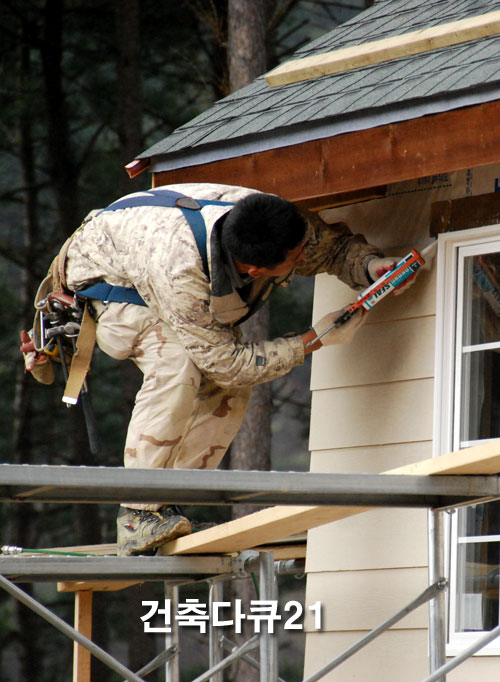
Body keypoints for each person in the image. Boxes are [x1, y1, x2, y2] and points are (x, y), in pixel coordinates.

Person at [30, 183, 403, 555]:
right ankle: (138, 513)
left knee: (231, 391)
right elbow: (225, 364)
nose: (305, 254)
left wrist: (369, 267)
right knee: (178, 360)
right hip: (104, 284)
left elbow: (331, 249)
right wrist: (312, 340)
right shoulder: (181, 271)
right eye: (297, 256)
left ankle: (168, 505)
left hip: (144, 258)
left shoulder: (268, 219)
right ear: (256, 269)